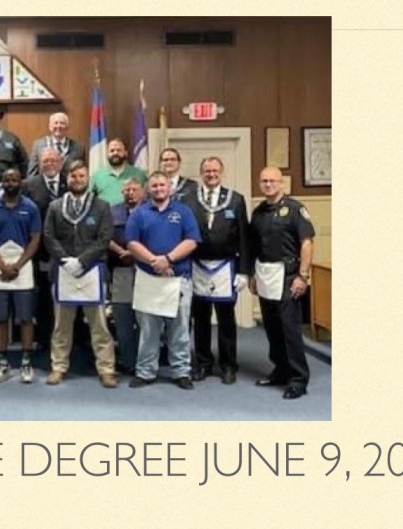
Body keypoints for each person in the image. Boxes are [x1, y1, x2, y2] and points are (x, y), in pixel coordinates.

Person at [43, 160, 117, 388]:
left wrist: (82, 261)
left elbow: (105, 238)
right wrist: (66, 260)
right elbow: (48, 236)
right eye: (73, 176)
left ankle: (106, 369)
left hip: (92, 270)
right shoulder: (55, 206)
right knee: (61, 326)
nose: (77, 180)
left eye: (81, 176)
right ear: (67, 179)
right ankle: (58, 366)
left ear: (88, 178)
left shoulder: (101, 206)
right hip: (64, 270)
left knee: (99, 326)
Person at [124, 172, 201, 389]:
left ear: (170, 188)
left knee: (179, 329)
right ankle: (145, 372)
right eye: (154, 185)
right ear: (149, 189)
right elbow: (131, 243)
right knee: (148, 330)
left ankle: (181, 371)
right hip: (148, 278)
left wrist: (167, 259)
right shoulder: (139, 213)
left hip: (177, 279)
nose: (158, 189)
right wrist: (154, 261)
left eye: (162, 185)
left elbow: (192, 241)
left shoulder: (183, 211)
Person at [249, 166, 315, 400]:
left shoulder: (295, 209)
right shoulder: (258, 212)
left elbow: (306, 243)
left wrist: (303, 276)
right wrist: (252, 275)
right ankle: (281, 370)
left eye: (272, 181)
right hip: (265, 274)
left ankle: (298, 379)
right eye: (264, 181)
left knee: (289, 329)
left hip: (288, 276)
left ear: (281, 183)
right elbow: (255, 246)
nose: (268, 185)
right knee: (272, 327)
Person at [186, 156, 251, 385]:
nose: (211, 174)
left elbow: (244, 237)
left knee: (226, 319)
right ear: (201, 173)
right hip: (197, 265)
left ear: (222, 173)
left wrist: (244, 271)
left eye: (215, 171)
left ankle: (228, 365)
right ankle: (203, 363)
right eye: (207, 171)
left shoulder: (236, 199)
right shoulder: (189, 199)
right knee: (200, 318)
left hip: (226, 266)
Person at [0, 168, 42, 384]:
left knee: (26, 318)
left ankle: (26, 362)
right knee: (0, 318)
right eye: (6, 180)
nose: (10, 183)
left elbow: (35, 239)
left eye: (14, 179)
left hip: (23, 265)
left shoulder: (31, 207)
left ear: (20, 183)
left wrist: (17, 266)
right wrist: (2, 265)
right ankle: (2, 363)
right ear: (2, 183)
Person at [22, 147, 66, 349]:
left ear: (60, 163)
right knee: (43, 296)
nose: (49, 164)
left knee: (68, 295)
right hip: (39, 251)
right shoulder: (28, 185)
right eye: (45, 161)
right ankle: (44, 338)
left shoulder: (70, 182)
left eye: (53, 160)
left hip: (67, 249)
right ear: (39, 164)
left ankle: (72, 338)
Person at [107, 178, 146, 374]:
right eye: (127, 190)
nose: (130, 193)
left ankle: (144, 362)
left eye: (134, 189)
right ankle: (127, 361)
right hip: (121, 269)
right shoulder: (112, 211)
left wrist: (138, 253)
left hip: (146, 270)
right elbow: (104, 236)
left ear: (142, 191)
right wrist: (122, 252)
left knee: (145, 319)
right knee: (122, 318)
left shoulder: (150, 210)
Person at [27, 112, 86, 178]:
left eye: (62, 123)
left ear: (67, 127)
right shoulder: (38, 145)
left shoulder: (78, 148)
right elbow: (32, 173)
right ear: (50, 126)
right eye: (56, 123)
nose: (58, 126)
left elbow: (82, 173)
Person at [90, 138, 147, 206]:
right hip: (105, 212)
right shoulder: (97, 175)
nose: (115, 153)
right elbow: (89, 200)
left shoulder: (139, 174)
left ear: (125, 153)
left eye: (119, 150)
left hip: (133, 212)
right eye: (112, 151)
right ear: (107, 154)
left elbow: (147, 197)